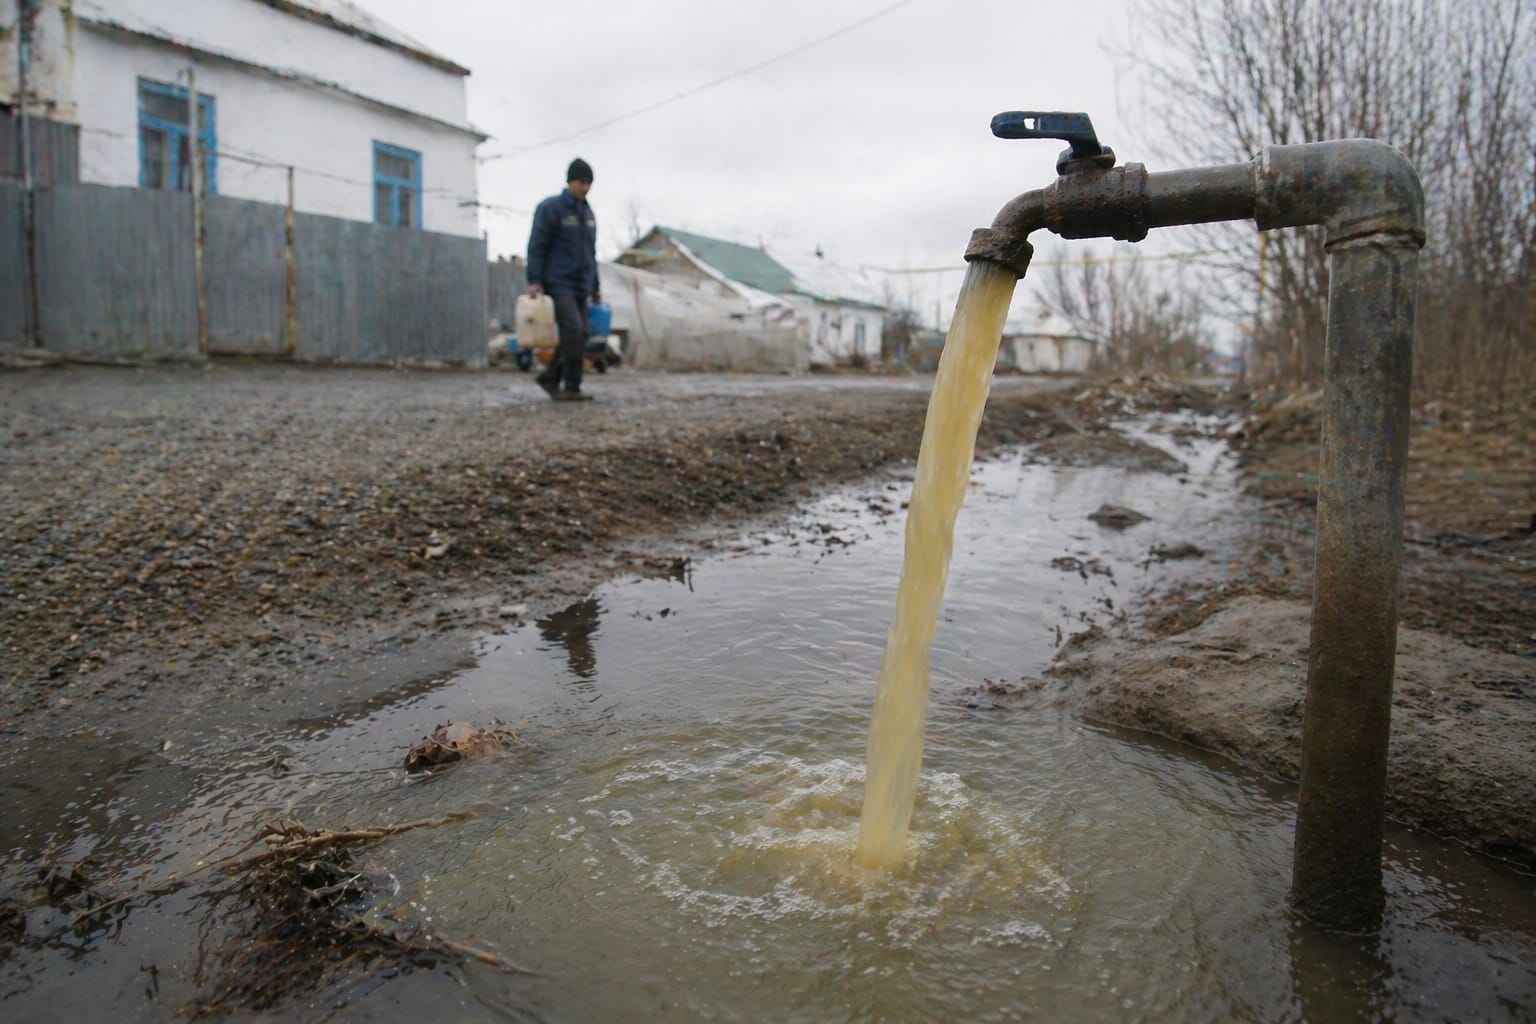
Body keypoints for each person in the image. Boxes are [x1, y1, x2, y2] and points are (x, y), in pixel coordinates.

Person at [526, 158, 600, 401]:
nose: (585, 187)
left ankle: (556, 381)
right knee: (573, 330)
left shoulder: (588, 213)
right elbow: (537, 245)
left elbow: (591, 253)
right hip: (559, 281)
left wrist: (595, 286)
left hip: (581, 284)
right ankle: (569, 385)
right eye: (581, 182)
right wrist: (534, 279)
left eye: (589, 183)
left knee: (581, 334)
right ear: (570, 181)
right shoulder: (551, 208)